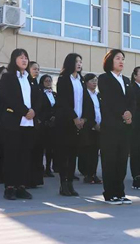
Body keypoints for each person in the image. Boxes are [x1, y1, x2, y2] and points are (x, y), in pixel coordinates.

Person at [0, 49, 41, 200]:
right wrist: (24, 111)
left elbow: (38, 97)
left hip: (29, 122)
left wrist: (34, 111)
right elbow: (8, 97)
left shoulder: (30, 78)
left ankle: (21, 186)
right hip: (14, 122)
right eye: (21, 57)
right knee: (12, 155)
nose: (24, 60)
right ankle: (10, 187)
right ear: (14, 59)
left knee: (25, 156)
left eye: (26, 58)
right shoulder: (8, 77)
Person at [98, 49, 135, 205]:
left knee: (121, 160)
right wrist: (122, 113)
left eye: (123, 59)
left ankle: (120, 192)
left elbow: (132, 100)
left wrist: (130, 114)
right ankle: (109, 193)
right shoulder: (104, 78)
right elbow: (109, 100)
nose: (121, 61)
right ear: (110, 61)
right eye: (118, 58)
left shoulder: (126, 80)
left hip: (124, 127)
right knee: (110, 160)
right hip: (110, 126)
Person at [55, 53, 94, 197]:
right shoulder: (63, 79)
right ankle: (63, 184)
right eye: (77, 61)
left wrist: (84, 118)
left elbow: (86, 101)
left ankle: (70, 183)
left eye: (81, 61)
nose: (79, 64)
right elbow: (63, 101)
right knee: (64, 155)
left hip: (79, 123)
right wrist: (73, 117)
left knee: (73, 155)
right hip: (66, 122)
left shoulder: (81, 80)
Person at [80, 73, 102, 184]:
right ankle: (87, 174)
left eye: (96, 80)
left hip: (99, 127)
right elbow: (86, 112)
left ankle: (93, 173)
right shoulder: (83, 95)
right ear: (86, 82)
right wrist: (93, 124)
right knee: (87, 151)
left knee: (95, 151)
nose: (94, 82)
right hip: (88, 127)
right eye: (92, 80)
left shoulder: (98, 95)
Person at [27, 61, 44, 188]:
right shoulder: (26, 83)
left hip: (37, 121)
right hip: (28, 118)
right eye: (34, 69)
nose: (37, 71)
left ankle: (35, 179)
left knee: (37, 151)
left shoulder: (37, 85)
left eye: (38, 69)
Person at [38, 74, 57, 178]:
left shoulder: (54, 94)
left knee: (51, 147)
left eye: (50, 81)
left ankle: (49, 167)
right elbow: (40, 108)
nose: (48, 83)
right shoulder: (40, 94)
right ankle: (40, 168)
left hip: (53, 124)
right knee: (42, 147)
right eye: (46, 81)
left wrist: (54, 116)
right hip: (44, 123)